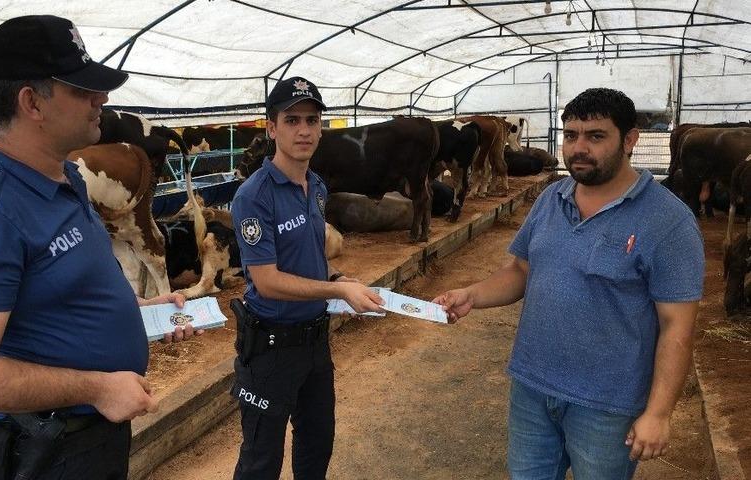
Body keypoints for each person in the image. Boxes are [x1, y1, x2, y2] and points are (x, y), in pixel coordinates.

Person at [0, 15, 198, 480]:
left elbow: (62, 287)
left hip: (86, 439)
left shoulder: (65, 175)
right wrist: (98, 387)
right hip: (44, 453)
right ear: (32, 102)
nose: (102, 99)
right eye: (81, 89)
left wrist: (139, 309)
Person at [434, 88, 704, 479]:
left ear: (630, 140)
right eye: (571, 135)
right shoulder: (551, 199)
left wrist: (658, 413)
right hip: (532, 387)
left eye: (596, 136)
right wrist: (471, 295)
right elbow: (521, 272)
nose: (578, 148)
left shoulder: (668, 221)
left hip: (607, 405)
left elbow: (677, 326)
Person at [229, 76, 385, 479]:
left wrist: (340, 277)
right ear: (271, 127)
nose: (304, 130)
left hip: (315, 342)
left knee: (317, 446)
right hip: (271, 347)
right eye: (292, 119)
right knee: (261, 461)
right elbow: (266, 281)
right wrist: (336, 289)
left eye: (312, 120)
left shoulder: (315, 186)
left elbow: (311, 256)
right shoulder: (253, 195)